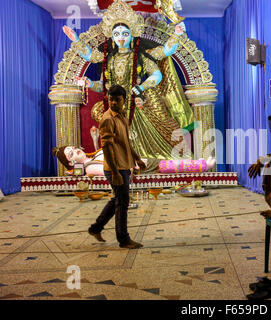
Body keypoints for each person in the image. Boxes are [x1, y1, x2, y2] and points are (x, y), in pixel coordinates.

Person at [63, 0, 195, 160]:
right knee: (98, 112)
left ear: (131, 35)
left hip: (140, 99)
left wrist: (177, 34)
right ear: (111, 36)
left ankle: (170, 157)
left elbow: (158, 72)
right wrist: (89, 82)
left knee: (164, 123)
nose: (120, 38)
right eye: (116, 34)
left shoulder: (140, 55)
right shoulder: (109, 59)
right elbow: (98, 74)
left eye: (125, 34)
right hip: (117, 104)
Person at [87, 84, 146, 249]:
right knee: (122, 202)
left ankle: (96, 228)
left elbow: (125, 142)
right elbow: (107, 148)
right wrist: (115, 173)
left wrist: (137, 159)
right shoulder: (107, 119)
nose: (113, 102)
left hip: (124, 165)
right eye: (111, 99)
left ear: (124, 101)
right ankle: (123, 239)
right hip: (115, 167)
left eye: (117, 99)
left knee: (118, 200)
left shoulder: (122, 117)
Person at [52, 146, 216, 175]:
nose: (75, 151)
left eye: (73, 148)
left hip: (140, 161)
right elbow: (111, 172)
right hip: (140, 168)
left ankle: (200, 164)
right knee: (171, 165)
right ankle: (203, 166)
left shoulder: (93, 156)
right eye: (71, 154)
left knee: (170, 162)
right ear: (71, 163)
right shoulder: (89, 168)